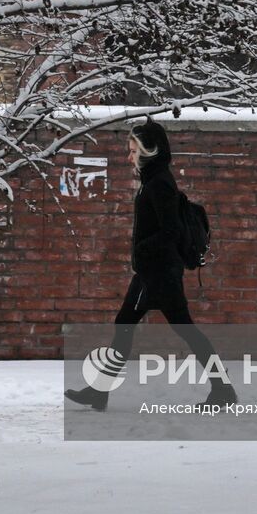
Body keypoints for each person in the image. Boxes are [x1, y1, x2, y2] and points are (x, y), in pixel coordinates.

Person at [65, 120, 237, 411]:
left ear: (148, 151)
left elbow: (171, 230)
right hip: (154, 271)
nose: (128, 157)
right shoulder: (154, 180)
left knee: (173, 328)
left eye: (133, 151)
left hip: (158, 273)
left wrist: (143, 248)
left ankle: (223, 389)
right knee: (139, 326)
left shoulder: (159, 184)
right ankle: (100, 391)